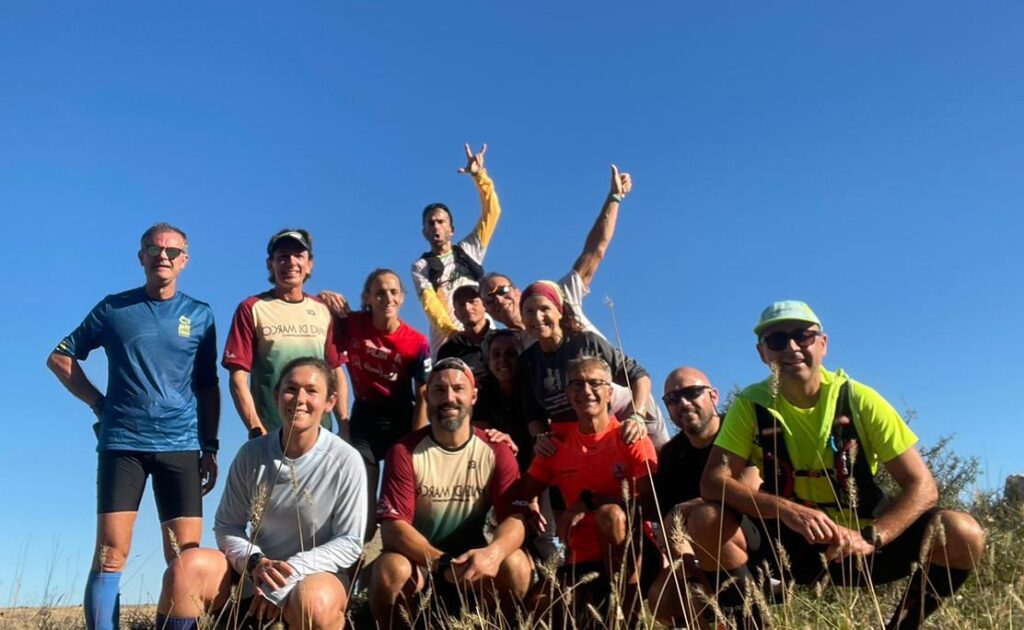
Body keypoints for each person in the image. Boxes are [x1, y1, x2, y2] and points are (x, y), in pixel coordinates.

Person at [696, 300, 987, 630]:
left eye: (802, 337)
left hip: (861, 544)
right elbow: (712, 480)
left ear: (823, 344)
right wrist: (786, 511)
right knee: (706, 520)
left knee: (962, 532)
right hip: (788, 543)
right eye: (777, 340)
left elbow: (922, 487)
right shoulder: (750, 404)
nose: (791, 347)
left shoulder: (860, 399)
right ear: (763, 353)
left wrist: (870, 537)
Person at [47, 223, 220, 630]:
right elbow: (60, 357)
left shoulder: (201, 315)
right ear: (140, 256)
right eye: (154, 249)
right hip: (122, 444)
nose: (164, 256)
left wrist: (209, 445)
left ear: (185, 261)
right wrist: (98, 404)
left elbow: (208, 385)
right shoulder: (113, 309)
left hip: (181, 445)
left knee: (187, 557)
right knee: (111, 552)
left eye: (173, 252)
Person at [153, 357, 367, 630]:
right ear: (276, 395)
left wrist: (285, 577)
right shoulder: (251, 455)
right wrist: (255, 563)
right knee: (187, 567)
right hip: (252, 580)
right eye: (291, 389)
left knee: (315, 601)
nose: (299, 399)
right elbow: (227, 526)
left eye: (312, 391)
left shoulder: (345, 460)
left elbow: (349, 542)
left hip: (313, 580)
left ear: (330, 402)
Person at [478, 166, 668, 447]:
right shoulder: (515, 352)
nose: (497, 299)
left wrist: (614, 198)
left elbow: (595, 250)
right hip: (584, 432)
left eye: (502, 290)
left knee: (661, 478)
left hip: (629, 412)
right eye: (488, 299)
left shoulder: (557, 294)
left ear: (517, 291)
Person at [370, 358, 532, 628]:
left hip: (474, 564)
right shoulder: (404, 451)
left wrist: (492, 554)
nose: (449, 398)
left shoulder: (496, 449)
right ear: (427, 396)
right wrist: (442, 564)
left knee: (515, 564)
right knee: (390, 570)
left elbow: (515, 519)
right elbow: (392, 528)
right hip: (423, 564)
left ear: (474, 395)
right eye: (439, 390)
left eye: (458, 389)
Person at [513, 356, 658, 627]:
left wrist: (589, 502)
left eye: (595, 383)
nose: (586, 391)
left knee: (610, 515)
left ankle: (625, 609)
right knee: (537, 607)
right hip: (581, 559)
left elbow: (650, 505)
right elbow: (520, 493)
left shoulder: (630, 436)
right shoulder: (556, 443)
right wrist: (528, 507)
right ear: (568, 394)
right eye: (577, 385)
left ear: (609, 392)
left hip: (633, 557)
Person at [644, 367, 760, 628]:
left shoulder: (739, 429)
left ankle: (751, 622)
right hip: (700, 552)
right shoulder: (671, 455)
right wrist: (691, 572)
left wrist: (694, 505)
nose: (683, 403)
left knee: (706, 517)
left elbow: (749, 490)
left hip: (756, 539)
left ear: (714, 395)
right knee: (661, 597)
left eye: (692, 393)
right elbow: (669, 523)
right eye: (672, 399)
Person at [331, 268, 431, 542]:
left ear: (402, 298)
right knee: (362, 501)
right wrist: (326, 297)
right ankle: (351, 573)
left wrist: (416, 442)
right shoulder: (352, 324)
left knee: (400, 504)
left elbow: (422, 394)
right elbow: (320, 309)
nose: (387, 298)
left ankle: (400, 566)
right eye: (379, 292)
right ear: (367, 298)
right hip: (365, 415)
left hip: (402, 417)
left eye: (393, 292)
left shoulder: (417, 342)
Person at [223, 229, 347, 438]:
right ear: (270, 264)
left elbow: (336, 372)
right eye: (282, 257)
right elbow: (238, 378)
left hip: (319, 435)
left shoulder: (323, 309)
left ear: (309, 264)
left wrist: (344, 427)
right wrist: (256, 430)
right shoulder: (251, 308)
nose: (291, 263)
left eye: (298, 256)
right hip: (270, 435)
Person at [516, 281, 652, 455]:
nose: (537, 317)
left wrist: (638, 417)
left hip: (607, 434)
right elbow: (532, 412)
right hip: (566, 444)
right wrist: (540, 438)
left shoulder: (587, 342)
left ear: (560, 311)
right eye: (529, 311)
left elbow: (638, 375)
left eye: (544, 309)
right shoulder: (527, 362)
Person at [411, 144, 502, 354]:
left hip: (485, 338)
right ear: (424, 231)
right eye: (431, 223)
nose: (436, 226)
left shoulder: (469, 249)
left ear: (452, 229)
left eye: (441, 222)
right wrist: (453, 332)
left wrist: (479, 175)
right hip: (449, 344)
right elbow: (430, 303)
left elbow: (493, 212)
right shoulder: (421, 266)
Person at [437, 284, 493, 384]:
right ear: (456, 314)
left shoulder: (501, 341)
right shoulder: (448, 350)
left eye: (472, 302)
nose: (467, 308)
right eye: (462, 304)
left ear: (485, 306)